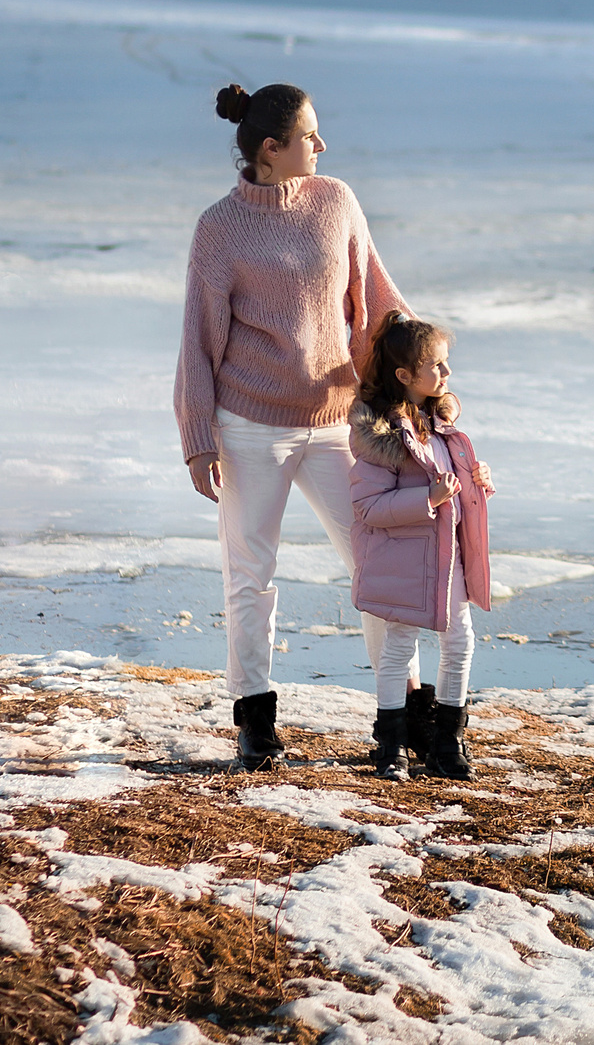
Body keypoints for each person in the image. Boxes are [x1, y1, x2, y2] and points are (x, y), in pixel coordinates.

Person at [175, 81, 415, 771]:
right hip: (249, 423)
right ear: (271, 150)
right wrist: (198, 436)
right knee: (251, 573)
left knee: (380, 561)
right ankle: (255, 721)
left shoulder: (336, 200)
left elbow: (377, 303)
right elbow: (197, 339)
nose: (324, 145)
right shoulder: (219, 228)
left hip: (337, 421)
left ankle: (401, 712)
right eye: (311, 135)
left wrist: (418, 381)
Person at [349, 312, 495, 781]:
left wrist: (480, 483)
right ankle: (390, 746)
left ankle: (448, 743)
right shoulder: (381, 438)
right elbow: (369, 507)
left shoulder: (441, 425)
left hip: (448, 560)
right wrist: (428, 498)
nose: (447, 374)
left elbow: (459, 492)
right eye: (437, 365)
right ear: (405, 375)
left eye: (446, 363)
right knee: (399, 646)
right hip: (405, 562)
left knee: (460, 641)